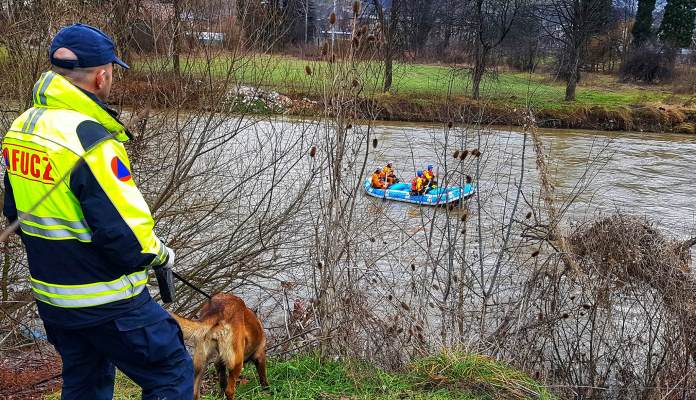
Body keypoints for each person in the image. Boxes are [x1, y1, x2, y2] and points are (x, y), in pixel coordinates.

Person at [1, 24, 193, 399]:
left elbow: (15, 213)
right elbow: (128, 238)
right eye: (111, 72)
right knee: (171, 372)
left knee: (84, 383)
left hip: (53, 298)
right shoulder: (90, 139)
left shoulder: (22, 126)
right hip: (106, 301)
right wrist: (162, 254)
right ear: (102, 75)